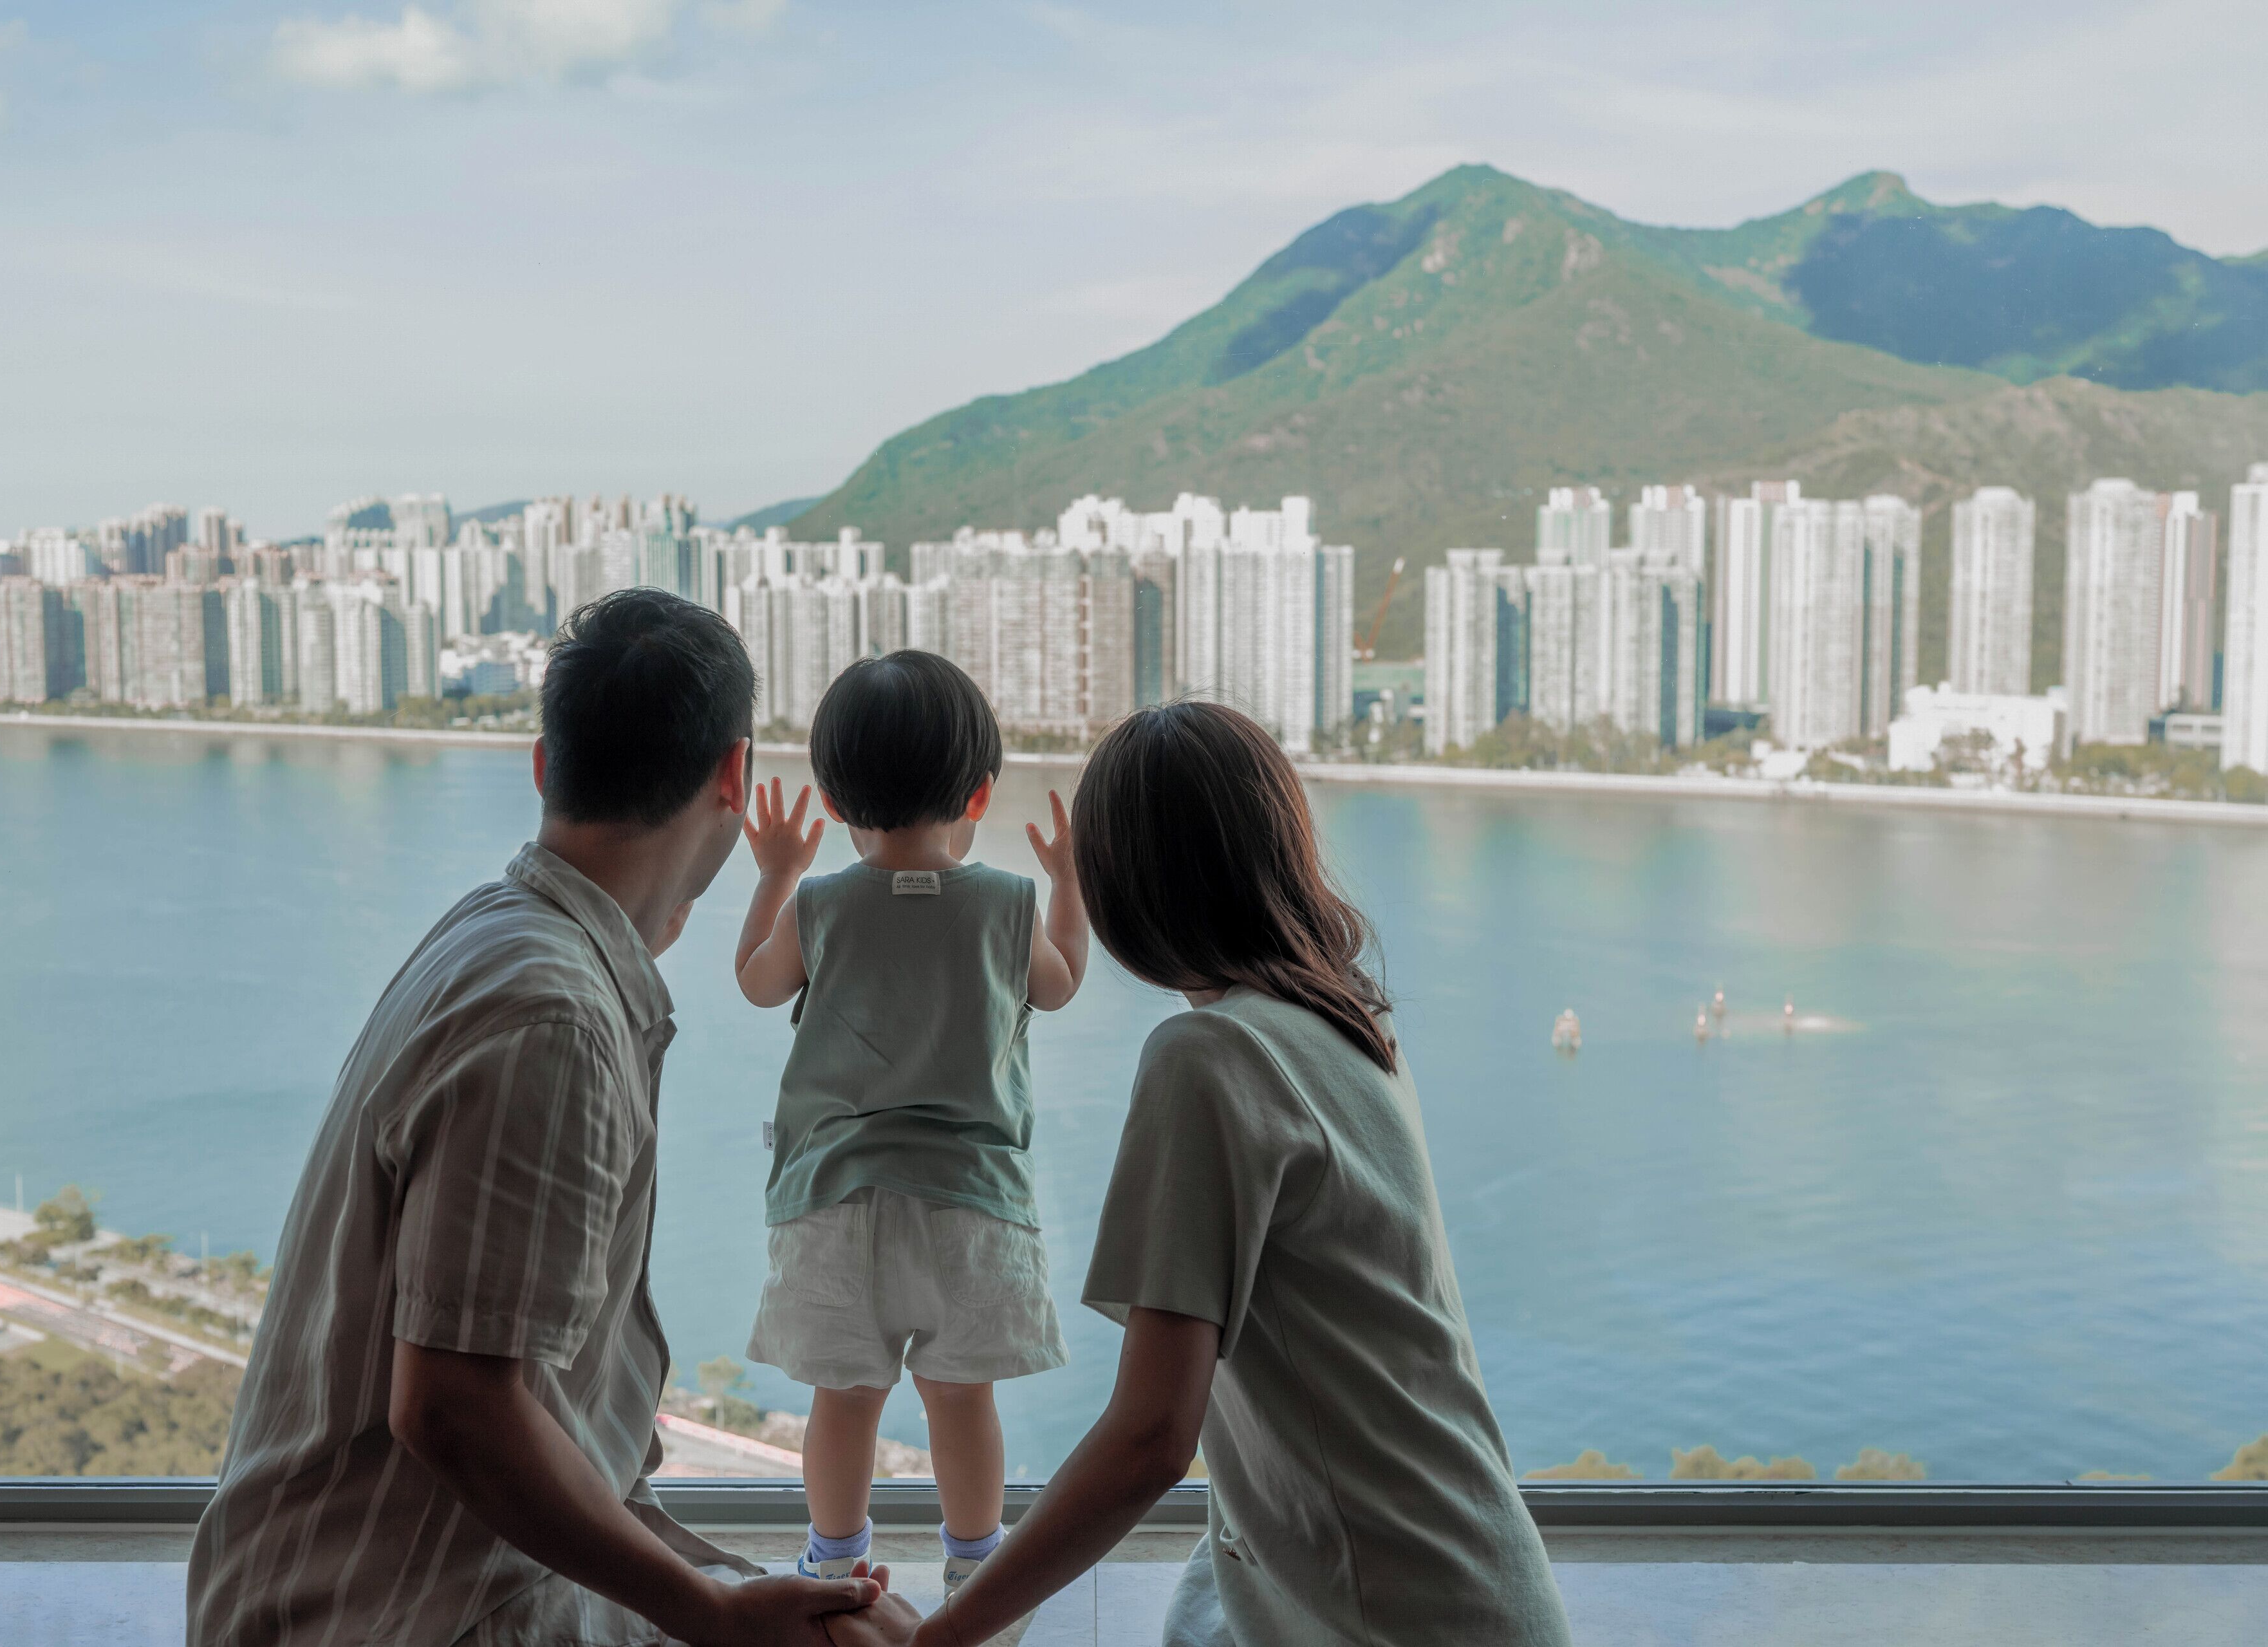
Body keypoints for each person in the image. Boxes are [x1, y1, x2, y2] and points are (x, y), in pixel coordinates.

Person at [187, 590, 882, 1647]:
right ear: (735, 777)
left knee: (860, 1629)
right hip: (408, 1616)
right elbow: (454, 1407)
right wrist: (707, 1611)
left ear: (545, 766)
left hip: (385, 1586)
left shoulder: (503, 937)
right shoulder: (553, 1018)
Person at [827, 701, 1572, 1647]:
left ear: (1126, 890)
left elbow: (1151, 1439)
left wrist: (939, 1638)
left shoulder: (1209, 1058)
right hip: (1468, 1585)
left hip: (1386, 1617)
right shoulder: (1348, 1020)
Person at [733, 650, 1087, 1603]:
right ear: (979, 794)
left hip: (835, 1201)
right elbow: (1061, 985)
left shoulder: (820, 905)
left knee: (845, 1400)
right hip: (972, 1205)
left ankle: (834, 1565)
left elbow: (756, 982)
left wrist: (777, 873)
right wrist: (1068, 884)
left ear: (834, 800)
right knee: (962, 1400)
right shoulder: (1008, 904)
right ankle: (975, 1568)